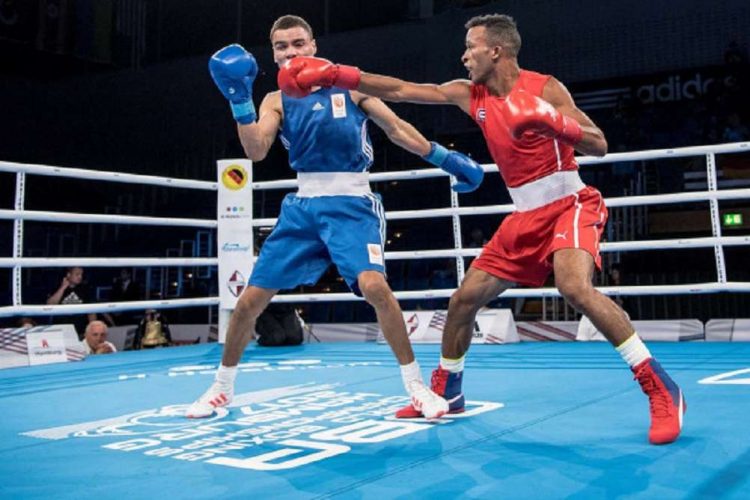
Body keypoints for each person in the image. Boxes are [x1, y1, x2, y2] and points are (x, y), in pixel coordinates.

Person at [279, 14, 685, 444]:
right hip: (523, 215)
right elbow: (400, 90)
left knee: (574, 287)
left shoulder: (545, 88)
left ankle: (661, 388)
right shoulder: (466, 93)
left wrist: (552, 121)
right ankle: (449, 391)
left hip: (569, 203)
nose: (463, 55)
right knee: (463, 300)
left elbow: (598, 144)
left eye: (470, 47)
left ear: (495, 50)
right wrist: (338, 75)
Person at [186, 15, 484, 419]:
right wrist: (239, 101)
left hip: (352, 203)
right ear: (273, 55)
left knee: (375, 287)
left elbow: (396, 128)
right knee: (249, 301)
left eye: (297, 43)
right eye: (281, 47)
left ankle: (416, 387)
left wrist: (445, 159)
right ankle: (221, 388)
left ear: (313, 45)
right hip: (303, 206)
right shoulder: (274, 99)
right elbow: (256, 150)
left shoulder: (349, 84)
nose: (290, 52)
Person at [47, 267, 96, 339]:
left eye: (81, 274)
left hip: (80, 332)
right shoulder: (57, 287)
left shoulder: (85, 289)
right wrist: (63, 287)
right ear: (68, 275)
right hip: (60, 332)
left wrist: (93, 330)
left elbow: (91, 312)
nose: (80, 277)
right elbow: (50, 305)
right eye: (77, 274)